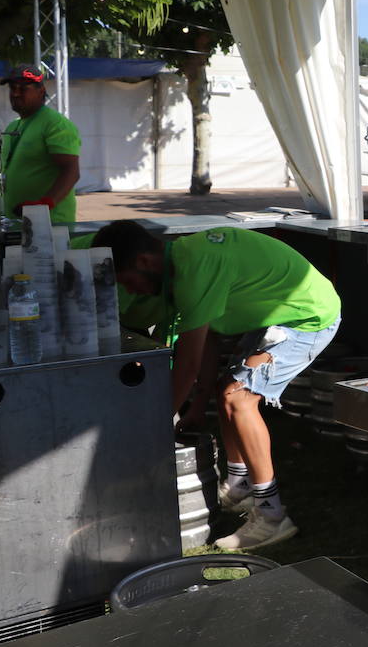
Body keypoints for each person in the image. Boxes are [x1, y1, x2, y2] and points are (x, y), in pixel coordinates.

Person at [93, 221, 342, 548]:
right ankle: (239, 488)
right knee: (228, 391)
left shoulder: (195, 268)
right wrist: (195, 409)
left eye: (128, 282)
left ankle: (271, 516)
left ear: (143, 262)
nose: (132, 292)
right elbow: (205, 343)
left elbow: (187, 366)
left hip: (308, 318)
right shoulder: (182, 263)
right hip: (276, 315)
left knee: (238, 399)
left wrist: (153, 430)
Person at [0, 66, 80, 224]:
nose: (15, 93)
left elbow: (71, 171)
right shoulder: (13, 127)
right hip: (15, 225)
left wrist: (44, 205)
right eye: (13, 88)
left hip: (50, 227)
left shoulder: (55, 124)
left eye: (23, 88)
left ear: (41, 91)